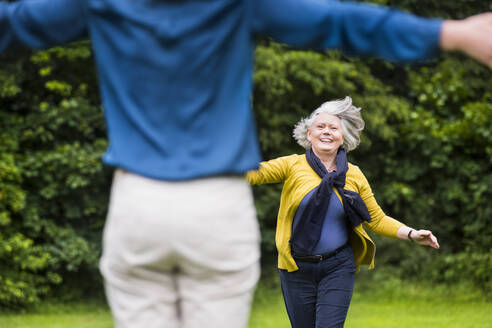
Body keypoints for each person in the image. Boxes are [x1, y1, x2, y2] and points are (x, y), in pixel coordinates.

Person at [0, 1, 489, 328]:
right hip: (216, 203)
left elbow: (13, 21)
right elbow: (339, 22)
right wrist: (451, 32)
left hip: (138, 204)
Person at [247, 96, 440, 328]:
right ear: (309, 134)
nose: (326, 132)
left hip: (337, 266)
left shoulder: (354, 175)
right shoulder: (292, 165)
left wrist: (411, 233)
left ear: (343, 137)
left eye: (333, 128)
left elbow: (376, 219)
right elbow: (254, 173)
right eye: (320, 127)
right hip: (296, 268)